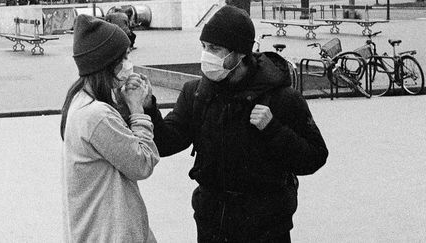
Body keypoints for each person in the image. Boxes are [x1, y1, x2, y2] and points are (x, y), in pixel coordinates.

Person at [141, 5, 328, 242]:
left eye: (215, 49)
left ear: (239, 54)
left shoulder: (282, 97)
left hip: (266, 226)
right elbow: (166, 142)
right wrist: (148, 108)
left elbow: (315, 157)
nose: (206, 55)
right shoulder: (196, 93)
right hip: (212, 224)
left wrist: (274, 130)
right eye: (204, 47)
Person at [60, 14, 159, 242]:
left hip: (97, 231)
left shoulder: (79, 101)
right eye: (123, 58)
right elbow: (142, 163)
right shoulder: (97, 115)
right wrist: (136, 109)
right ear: (106, 64)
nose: (128, 64)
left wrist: (123, 105)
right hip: (111, 234)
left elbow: (114, 147)